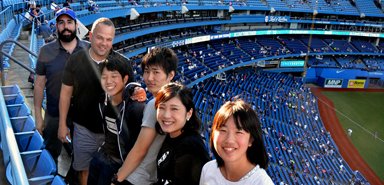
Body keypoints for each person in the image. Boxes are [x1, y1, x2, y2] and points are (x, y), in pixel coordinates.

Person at [58, 17, 138, 185]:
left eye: (109, 39)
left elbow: (131, 94)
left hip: (112, 134)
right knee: (84, 172)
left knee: (107, 177)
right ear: (91, 35)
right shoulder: (76, 59)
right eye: (100, 37)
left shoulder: (123, 63)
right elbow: (65, 93)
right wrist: (62, 124)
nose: (104, 43)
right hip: (83, 129)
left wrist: (138, 92)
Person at [112, 47, 178, 184]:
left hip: (137, 176)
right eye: (147, 72)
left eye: (156, 72)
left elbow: (140, 150)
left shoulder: (156, 104)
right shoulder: (176, 101)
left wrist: (117, 179)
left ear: (170, 75)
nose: (149, 78)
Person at [34, 7, 88, 165]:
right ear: (56, 26)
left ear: (76, 25)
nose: (66, 26)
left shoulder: (89, 49)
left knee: (82, 158)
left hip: (82, 116)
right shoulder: (45, 50)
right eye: (61, 23)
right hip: (54, 115)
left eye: (69, 22)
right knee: (50, 155)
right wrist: (38, 117)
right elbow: (38, 85)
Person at [87, 57, 145, 185]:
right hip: (101, 155)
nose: (108, 81)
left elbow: (139, 147)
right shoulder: (102, 100)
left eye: (114, 76)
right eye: (104, 77)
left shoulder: (135, 108)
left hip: (118, 166)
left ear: (124, 79)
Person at [200, 100, 274, 184]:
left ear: (251, 140)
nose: (229, 140)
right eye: (223, 130)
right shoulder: (208, 170)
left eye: (239, 132)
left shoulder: (261, 182)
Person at [154, 83, 210, 185]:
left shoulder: (190, 146)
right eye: (161, 107)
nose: (166, 115)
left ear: (188, 113)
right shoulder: (172, 136)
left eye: (174, 109)